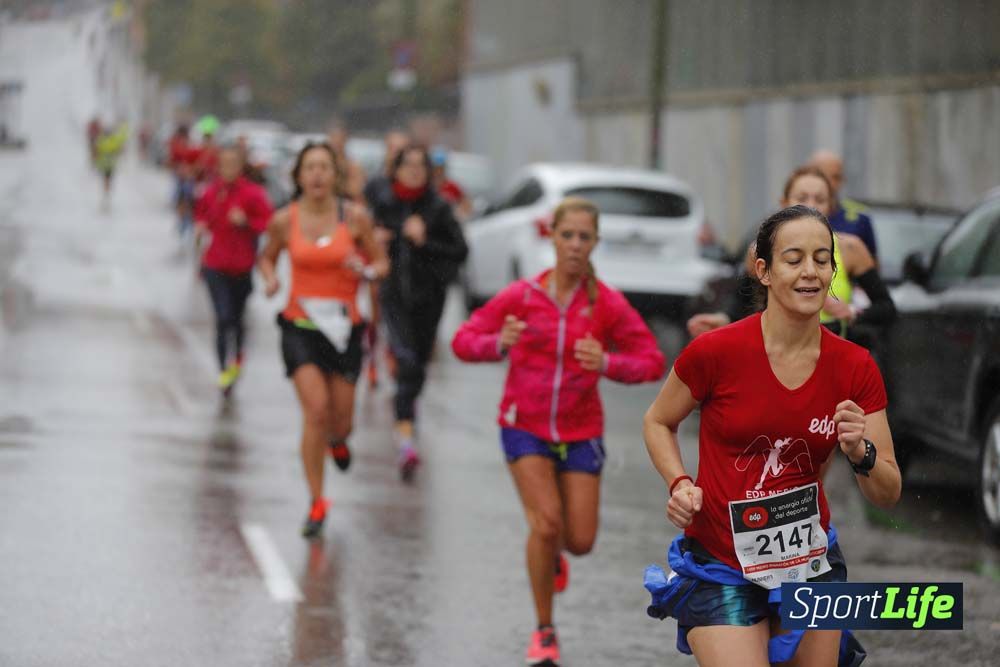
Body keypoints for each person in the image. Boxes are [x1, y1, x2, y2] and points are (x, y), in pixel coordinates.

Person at [643, 204, 902, 666]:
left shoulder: (855, 367)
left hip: (809, 560)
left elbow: (888, 490)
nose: (810, 272)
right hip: (721, 560)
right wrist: (679, 482)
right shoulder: (715, 353)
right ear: (763, 271)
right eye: (794, 258)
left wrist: (859, 452)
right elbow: (658, 421)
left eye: (822, 260)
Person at [453, 197, 665, 666]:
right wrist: (497, 343)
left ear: (595, 243)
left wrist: (606, 362)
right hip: (523, 425)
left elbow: (651, 361)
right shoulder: (522, 296)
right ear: (551, 237)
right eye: (566, 235)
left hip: (580, 430)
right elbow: (462, 340)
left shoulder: (607, 303)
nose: (574, 245)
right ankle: (545, 630)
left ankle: (554, 555)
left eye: (583, 237)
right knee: (545, 522)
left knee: (580, 540)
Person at [258, 142, 389, 538]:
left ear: (336, 176)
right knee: (315, 410)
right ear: (298, 177)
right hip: (300, 326)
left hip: (344, 328)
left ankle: (339, 441)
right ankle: (317, 501)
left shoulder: (356, 219)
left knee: (340, 421)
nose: (316, 175)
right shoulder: (285, 220)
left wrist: (364, 271)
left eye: (324, 168)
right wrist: (271, 278)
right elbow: (267, 257)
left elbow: (382, 263)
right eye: (309, 168)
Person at [687, 166, 895, 346]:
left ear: (830, 207)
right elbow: (742, 304)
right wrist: (722, 319)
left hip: (830, 356)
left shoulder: (850, 247)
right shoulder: (761, 250)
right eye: (802, 198)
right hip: (775, 353)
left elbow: (887, 309)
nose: (810, 205)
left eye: (820, 199)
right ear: (784, 202)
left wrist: (851, 311)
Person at [370, 144, 467, 480]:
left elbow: (460, 250)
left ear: (428, 172)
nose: (413, 171)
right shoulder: (384, 204)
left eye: (419, 165)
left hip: (429, 298)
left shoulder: (438, 208)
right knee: (407, 362)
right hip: (394, 295)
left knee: (417, 368)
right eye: (406, 165)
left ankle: (407, 416)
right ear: (395, 170)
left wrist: (425, 241)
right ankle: (406, 439)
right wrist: (375, 239)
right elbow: (361, 240)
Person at [193, 144, 273, 395]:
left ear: (240, 167)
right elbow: (201, 216)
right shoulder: (211, 192)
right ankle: (222, 371)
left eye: (232, 164)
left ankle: (237, 359)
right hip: (214, 265)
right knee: (222, 318)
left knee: (236, 320)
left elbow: (268, 224)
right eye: (223, 164)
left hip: (241, 267)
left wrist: (246, 221)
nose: (227, 169)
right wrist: (199, 228)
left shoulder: (253, 194)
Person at [809, 150, 878, 260]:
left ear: (842, 179)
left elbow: (871, 267)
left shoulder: (860, 218)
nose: (829, 182)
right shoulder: (788, 219)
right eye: (822, 175)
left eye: (835, 177)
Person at [430, 146, 472, 220]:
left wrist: (459, 214)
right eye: (436, 168)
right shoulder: (427, 187)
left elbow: (466, 205)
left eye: (441, 168)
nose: (438, 171)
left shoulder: (453, 187)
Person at [94, 121, 128, 202]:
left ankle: (106, 194)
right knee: (107, 180)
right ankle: (106, 194)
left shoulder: (104, 139)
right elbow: (97, 150)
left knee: (107, 180)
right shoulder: (105, 139)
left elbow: (119, 149)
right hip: (106, 164)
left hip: (108, 164)